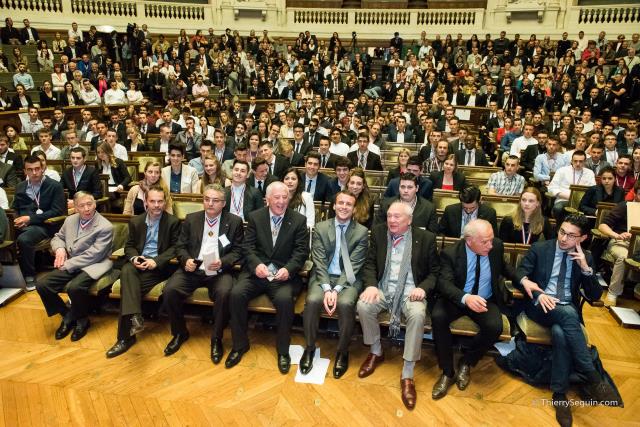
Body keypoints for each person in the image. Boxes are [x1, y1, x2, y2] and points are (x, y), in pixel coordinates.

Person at [516, 214, 618, 426]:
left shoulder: (586, 257)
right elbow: (520, 276)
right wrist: (537, 293)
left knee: (561, 332)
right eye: (562, 232)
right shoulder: (540, 248)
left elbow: (595, 296)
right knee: (569, 315)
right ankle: (590, 373)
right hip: (540, 305)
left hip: (566, 310)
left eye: (571, 235)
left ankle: (559, 395)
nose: (563, 238)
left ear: (582, 238)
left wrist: (585, 269)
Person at [357, 201, 440, 410]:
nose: (391, 220)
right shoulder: (378, 233)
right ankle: (376, 351)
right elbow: (369, 264)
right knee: (364, 305)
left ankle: (408, 373)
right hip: (384, 289)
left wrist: (422, 288)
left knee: (418, 314)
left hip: (410, 292)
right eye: (389, 216)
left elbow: (434, 273)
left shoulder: (425, 238)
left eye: (397, 217)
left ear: (409, 220)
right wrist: (371, 286)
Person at [225, 182, 309, 373]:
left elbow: (302, 251)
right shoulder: (255, 217)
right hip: (257, 273)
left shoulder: (298, 220)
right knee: (236, 294)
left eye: (284, 197)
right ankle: (239, 345)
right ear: (268, 199)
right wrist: (257, 265)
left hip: (282, 276)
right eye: (277, 198)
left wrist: (289, 269)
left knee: (285, 300)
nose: (281, 202)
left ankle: (282, 351)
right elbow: (247, 247)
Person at [431, 219, 515, 399]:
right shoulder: (450, 253)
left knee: (495, 327)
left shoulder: (496, 247)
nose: (491, 245)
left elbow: (507, 268)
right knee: (438, 317)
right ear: (469, 240)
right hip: (459, 298)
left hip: (485, 298)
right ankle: (447, 372)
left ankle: (467, 361)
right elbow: (443, 283)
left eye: (491, 240)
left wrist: (524, 280)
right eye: (485, 241)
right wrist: (465, 298)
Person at [162, 184, 244, 361]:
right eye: (207, 199)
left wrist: (223, 262)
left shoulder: (234, 221)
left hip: (218, 270)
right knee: (170, 291)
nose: (210, 204)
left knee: (225, 293)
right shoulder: (192, 219)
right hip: (193, 268)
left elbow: (238, 251)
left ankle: (216, 338)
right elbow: (180, 246)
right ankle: (179, 333)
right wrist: (186, 260)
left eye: (215, 201)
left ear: (223, 203)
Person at [105, 186, 181, 358]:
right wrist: (134, 258)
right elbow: (130, 246)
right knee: (127, 268)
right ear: (145, 202)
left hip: (158, 268)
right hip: (138, 264)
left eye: (160, 201)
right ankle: (135, 318)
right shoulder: (136, 221)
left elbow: (176, 248)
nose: (156, 205)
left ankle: (125, 338)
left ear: (165, 202)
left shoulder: (172, 222)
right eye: (152, 201)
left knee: (128, 289)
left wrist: (156, 261)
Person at [301, 191, 369, 378]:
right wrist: (326, 288)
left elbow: (354, 265)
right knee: (313, 301)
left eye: (349, 204)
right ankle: (309, 347)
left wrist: (337, 289)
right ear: (334, 205)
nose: (344, 207)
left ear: (354, 209)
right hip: (323, 277)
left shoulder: (362, 232)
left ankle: (342, 351)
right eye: (341, 203)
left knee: (345, 304)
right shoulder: (321, 228)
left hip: (348, 280)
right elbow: (319, 260)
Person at [36, 192, 113, 341]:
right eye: (81, 206)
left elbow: (95, 255)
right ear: (75, 208)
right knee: (43, 285)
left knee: (75, 287)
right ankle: (68, 315)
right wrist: (59, 248)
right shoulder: (70, 220)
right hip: (72, 262)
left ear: (95, 204)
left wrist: (68, 264)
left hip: (95, 264)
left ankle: (83, 320)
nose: (86, 209)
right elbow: (58, 237)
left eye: (89, 204)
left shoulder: (105, 226)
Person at [12, 155, 66, 289]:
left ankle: (29, 275)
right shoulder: (20, 186)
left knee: (24, 239)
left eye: (37, 169)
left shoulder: (54, 186)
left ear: (43, 169)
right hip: (21, 224)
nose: (34, 173)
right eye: (30, 170)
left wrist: (30, 219)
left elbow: (57, 211)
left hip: (44, 225)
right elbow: (15, 208)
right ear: (25, 171)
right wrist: (16, 219)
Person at [597, 181, 640, 306]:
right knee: (624, 257)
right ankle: (613, 293)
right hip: (621, 243)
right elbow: (602, 225)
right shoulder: (625, 206)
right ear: (636, 194)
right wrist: (618, 235)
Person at [548, 151, 596, 219]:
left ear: (585, 162)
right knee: (558, 208)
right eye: (575, 161)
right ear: (571, 161)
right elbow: (552, 188)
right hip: (564, 200)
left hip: (583, 203)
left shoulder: (589, 173)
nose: (578, 163)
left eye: (581, 161)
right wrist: (570, 197)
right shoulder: (562, 171)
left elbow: (593, 191)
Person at [96, 142, 131, 206]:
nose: (100, 154)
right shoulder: (98, 164)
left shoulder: (118, 162)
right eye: (98, 152)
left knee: (107, 195)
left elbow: (128, 177)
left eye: (102, 152)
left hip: (116, 189)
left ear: (108, 151)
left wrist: (121, 185)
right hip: (104, 189)